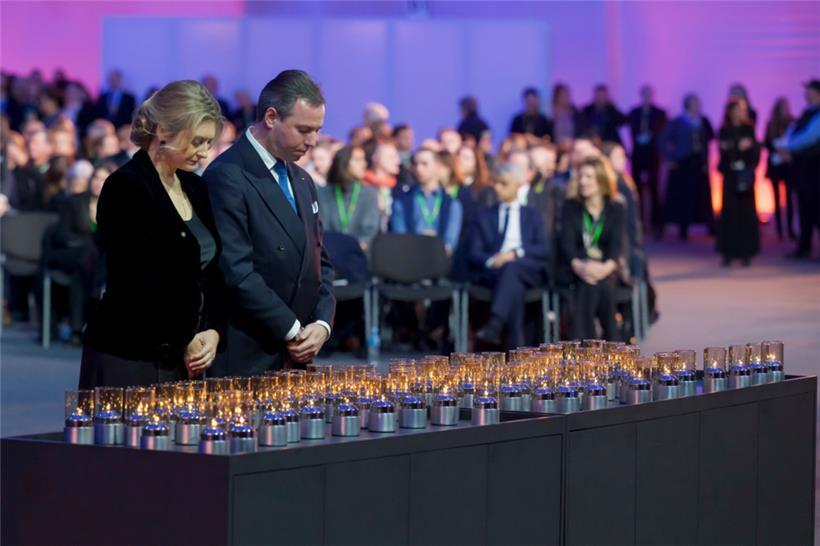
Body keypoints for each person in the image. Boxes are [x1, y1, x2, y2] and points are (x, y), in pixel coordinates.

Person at [80, 80, 226, 388]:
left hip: (186, 354)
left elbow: (212, 271)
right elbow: (136, 281)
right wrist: (183, 337)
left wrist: (213, 329)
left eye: (209, 143)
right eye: (197, 141)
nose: (203, 153)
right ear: (163, 132)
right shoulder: (126, 186)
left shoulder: (196, 187)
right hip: (130, 353)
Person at [204, 70, 335, 375]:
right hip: (249, 351)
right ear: (272, 117)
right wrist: (292, 329)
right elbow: (235, 270)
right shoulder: (228, 175)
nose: (313, 141)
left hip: (298, 350)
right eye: (304, 130)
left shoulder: (302, 179)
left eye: (317, 130)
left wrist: (322, 323)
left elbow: (321, 262)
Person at [471, 164, 550, 348]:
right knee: (513, 281)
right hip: (495, 273)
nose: (498, 188)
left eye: (504, 183)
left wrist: (515, 254)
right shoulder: (484, 216)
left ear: (516, 185)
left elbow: (544, 248)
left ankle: (496, 324)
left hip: (529, 269)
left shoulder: (532, 215)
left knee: (512, 268)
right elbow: (474, 252)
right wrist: (493, 260)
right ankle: (516, 349)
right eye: (496, 183)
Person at [46, 161, 115, 344]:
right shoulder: (74, 202)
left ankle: (78, 328)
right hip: (72, 253)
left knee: (86, 266)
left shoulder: (115, 206)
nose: (97, 182)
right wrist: (88, 243)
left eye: (103, 179)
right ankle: (82, 325)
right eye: (95, 178)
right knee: (87, 256)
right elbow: (62, 235)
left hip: (100, 259)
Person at [560, 156, 626, 341]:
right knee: (591, 284)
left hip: (608, 268)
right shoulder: (571, 207)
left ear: (601, 179)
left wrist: (604, 269)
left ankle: (583, 347)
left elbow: (616, 246)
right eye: (581, 177)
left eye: (589, 177)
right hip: (576, 267)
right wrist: (580, 267)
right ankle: (613, 345)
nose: (583, 182)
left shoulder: (616, 208)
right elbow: (567, 244)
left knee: (598, 284)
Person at [659, 94, 715, 240]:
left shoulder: (702, 121)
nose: (698, 106)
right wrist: (669, 158)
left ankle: (707, 225)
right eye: (695, 103)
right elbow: (662, 139)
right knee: (681, 196)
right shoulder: (678, 122)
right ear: (688, 105)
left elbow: (710, 137)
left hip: (698, 163)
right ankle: (680, 228)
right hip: (682, 163)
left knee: (700, 195)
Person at [777, 79, 820, 259]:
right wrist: (781, 150)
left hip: (816, 169)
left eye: (809, 92)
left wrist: (789, 149)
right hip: (803, 170)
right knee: (804, 209)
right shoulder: (806, 114)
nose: (806, 95)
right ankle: (804, 246)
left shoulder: (817, 115)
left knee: (817, 208)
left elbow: (809, 138)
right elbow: (791, 136)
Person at [390, 148, 463, 254]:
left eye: (425, 164)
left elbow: (450, 244)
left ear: (437, 166)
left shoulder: (452, 204)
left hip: (439, 262)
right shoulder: (402, 201)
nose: (419, 168)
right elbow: (400, 237)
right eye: (416, 164)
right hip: (409, 260)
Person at [716, 98, 761, 266]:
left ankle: (746, 252)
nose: (742, 112)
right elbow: (725, 154)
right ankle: (728, 252)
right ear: (731, 111)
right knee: (729, 213)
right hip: (730, 175)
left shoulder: (749, 128)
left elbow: (754, 152)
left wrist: (744, 149)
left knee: (746, 214)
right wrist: (736, 148)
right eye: (739, 108)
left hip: (745, 175)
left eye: (743, 109)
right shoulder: (724, 130)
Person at [318, 145, 380, 251]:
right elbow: (321, 227)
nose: (364, 164)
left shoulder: (369, 194)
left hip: (358, 256)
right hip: (330, 254)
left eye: (363, 159)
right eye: (358, 160)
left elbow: (369, 230)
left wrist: (357, 247)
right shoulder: (323, 193)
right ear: (344, 163)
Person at [627, 85, 667, 235]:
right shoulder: (634, 112)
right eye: (644, 94)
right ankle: (638, 223)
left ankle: (657, 224)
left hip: (653, 156)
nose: (647, 97)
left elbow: (663, 133)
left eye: (649, 94)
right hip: (638, 155)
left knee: (654, 189)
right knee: (636, 189)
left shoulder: (660, 113)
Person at [764, 97, 796, 241]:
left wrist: (786, 151)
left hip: (788, 166)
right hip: (775, 165)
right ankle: (779, 231)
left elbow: (796, 141)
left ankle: (790, 229)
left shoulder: (793, 123)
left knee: (789, 198)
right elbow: (766, 143)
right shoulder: (771, 124)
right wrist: (777, 148)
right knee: (776, 199)